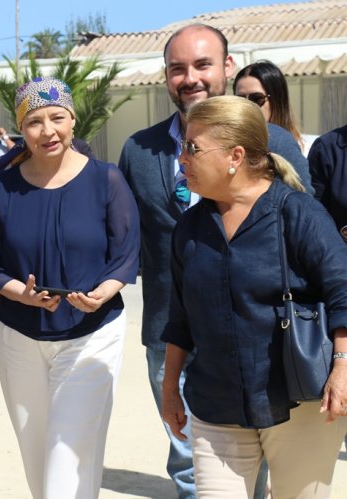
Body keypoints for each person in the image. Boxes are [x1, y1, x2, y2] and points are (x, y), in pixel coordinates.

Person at [118, 23, 313, 498]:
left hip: (262, 332)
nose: (191, 78)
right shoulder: (138, 151)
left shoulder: (276, 144)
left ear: (227, 67)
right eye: (177, 68)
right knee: (189, 463)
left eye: (203, 65)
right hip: (172, 333)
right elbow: (122, 236)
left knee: (260, 452)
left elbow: (309, 242)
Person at [161, 95, 347, 498]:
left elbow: (342, 291)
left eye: (192, 147)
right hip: (215, 405)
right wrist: (170, 388)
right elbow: (180, 316)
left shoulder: (298, 213)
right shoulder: (190, 229)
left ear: (236, 155)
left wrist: (343, 367)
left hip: (299, 404)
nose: (181, 157)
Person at [0, 76, 140, 499]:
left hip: (93, 333)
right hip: (20, 335)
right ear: (20, 129)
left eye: (57, 118)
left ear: (72, 120)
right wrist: (22, 294)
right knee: (37, 457)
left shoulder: (107, 180)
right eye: (34, 121)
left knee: (70, 454)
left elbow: (125, 256)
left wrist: (101, 293)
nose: (47, 131)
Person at [234, 60, 308, 153]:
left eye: (257, 98)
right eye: (240, 99)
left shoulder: (289, 148)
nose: (248, 106)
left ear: (277, 100)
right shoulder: (227, 145)